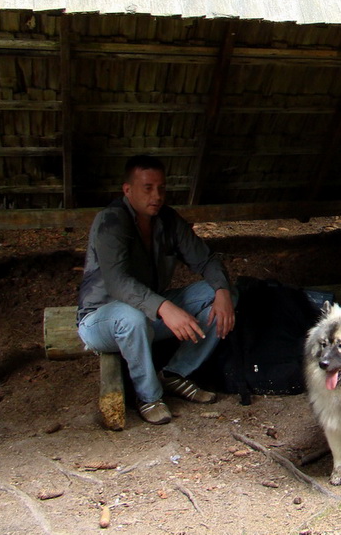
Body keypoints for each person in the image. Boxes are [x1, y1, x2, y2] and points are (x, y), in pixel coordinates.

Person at [77, 155, 236, 425]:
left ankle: (176, 373)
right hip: (101, 319)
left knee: (223, 294)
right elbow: (117, 282)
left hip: (149, 314)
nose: (157, 195)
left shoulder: (168, 219)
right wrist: (165, 307)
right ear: (128, 190)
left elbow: (205, 259)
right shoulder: (111, 222)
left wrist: (222, 291)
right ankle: (149, 397)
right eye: (148, 188)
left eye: (161, 188)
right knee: (131, 318)